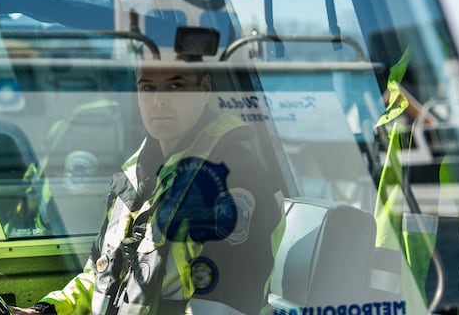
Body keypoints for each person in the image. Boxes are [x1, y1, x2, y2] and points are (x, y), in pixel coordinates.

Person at [15, 60, 285, 314]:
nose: (159, 100)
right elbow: (99, 278)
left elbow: (222, 306)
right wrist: (45, 310)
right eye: (147, 87)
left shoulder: (235, 179)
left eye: (175, 86)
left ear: (204, 89)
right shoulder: (131, 180)